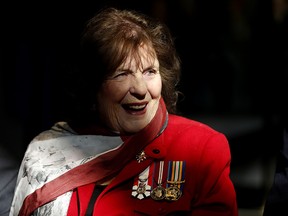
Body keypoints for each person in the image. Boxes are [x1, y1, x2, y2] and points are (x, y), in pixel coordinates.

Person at [9, 7, 238, 216]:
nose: (140, 89)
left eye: (149, 72)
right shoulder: (47, 150)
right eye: (121, 74)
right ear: (93, 86)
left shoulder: (202, 148)